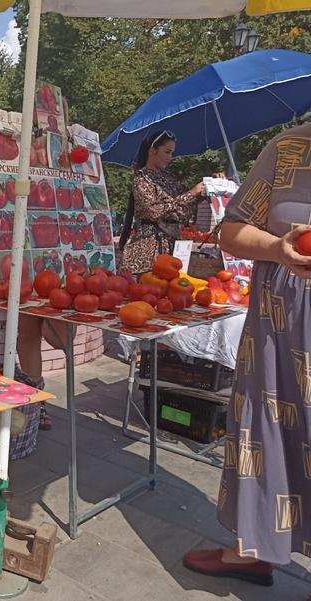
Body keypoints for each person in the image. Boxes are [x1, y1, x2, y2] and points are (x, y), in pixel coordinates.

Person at [182, 123, 311, 593]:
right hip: (276, 331)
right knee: (264, 431)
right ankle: (254, 549)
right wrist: (277, 247)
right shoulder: (289, 147)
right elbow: (231, 231)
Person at [118, 130, 219, 275]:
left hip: (172, 248)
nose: (170, 157)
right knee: (148, 287)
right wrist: (190, 194)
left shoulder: (170, 179)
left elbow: (186, 207)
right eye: (167, 152)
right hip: (147, 251)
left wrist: (211, 185)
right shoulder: (142, 179)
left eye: (172, 153)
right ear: (153, 151)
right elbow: (154, 211)